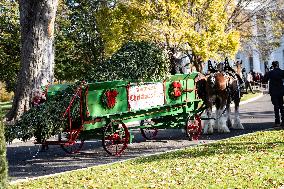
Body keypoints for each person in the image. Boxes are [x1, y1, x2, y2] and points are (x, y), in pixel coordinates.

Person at [263, 61, 284, 127]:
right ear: (278, 65)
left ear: (272, 65)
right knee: (281, 106)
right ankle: (283, 121)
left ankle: (277, 122)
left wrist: (267, 72)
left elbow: (264, 80)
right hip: (281, 91)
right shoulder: (282, 72)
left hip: (274, 92)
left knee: (276, 107)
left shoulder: (270, 72)